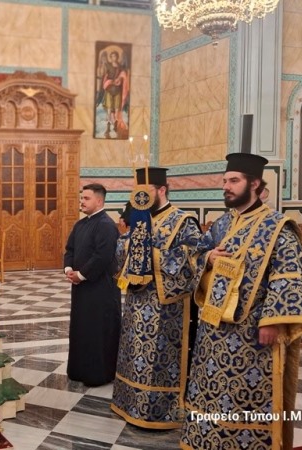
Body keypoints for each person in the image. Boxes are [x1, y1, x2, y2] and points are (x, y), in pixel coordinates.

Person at [181, 153, 302, 450]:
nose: (226, 186)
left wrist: (273, 322)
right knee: (211, 389)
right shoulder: (222, 224)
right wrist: (208, 258)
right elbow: (196, 255)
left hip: (252, 333)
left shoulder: (278, 226)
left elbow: (289, 275)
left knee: (246, 394)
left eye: (234, 181)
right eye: (225, 181)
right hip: (213, 330)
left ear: (254, 184)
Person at [110, 167, 204, 429]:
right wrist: (129, 246)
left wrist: (151, 255)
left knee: (157, 359)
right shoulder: (140, 219)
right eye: (137, 190)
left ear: (162, 190)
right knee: (132, 352)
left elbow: (194, 256)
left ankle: (160, 411)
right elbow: (121, 251)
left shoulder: (183, 220)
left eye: (146, 190)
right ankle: (129, 403)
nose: (140, 195)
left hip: (166, 308)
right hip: (136, 302)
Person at [63, 183, 121, 386]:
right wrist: (68, 269)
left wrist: (81, 274)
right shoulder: (80, 225)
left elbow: (102, 256)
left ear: (99, 201)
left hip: (100, 289)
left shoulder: (106, 225)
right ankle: (79, 370)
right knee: (81, 328)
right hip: (81, 288)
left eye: (86, 198)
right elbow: (70, 249)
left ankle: (98, 374)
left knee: (98, 330)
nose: (82, 202)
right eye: (82, 198)